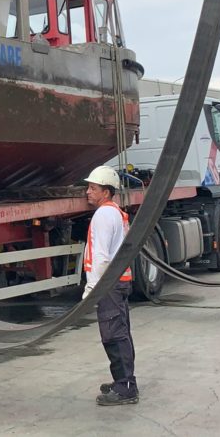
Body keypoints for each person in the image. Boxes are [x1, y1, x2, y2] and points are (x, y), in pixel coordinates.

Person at [82, 165, 139, 406]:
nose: (87, 192)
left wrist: (92, 288)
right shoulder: (115, 212)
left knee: (113, 335)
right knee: (120, 332)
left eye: (92, 188)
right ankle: (123, 381)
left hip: (109, 286)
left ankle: (125, 387)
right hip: (118, 283)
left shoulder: (104, 215)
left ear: (106, 191)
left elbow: (102, 257)